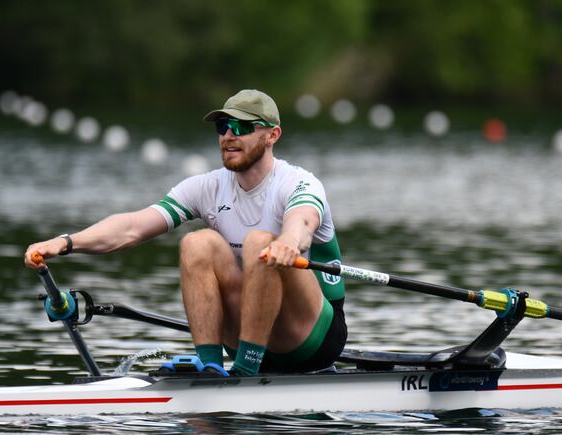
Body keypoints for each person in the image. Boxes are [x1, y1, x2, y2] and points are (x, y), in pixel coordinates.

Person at [24, 89, 346, 376]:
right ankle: (210, 367)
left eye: (242, 127)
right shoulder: (207, 187)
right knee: (196, 242)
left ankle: (247, 370)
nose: (229, 136)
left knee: (259, 243)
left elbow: (301, 223)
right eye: (223, 127)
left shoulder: (298, 183)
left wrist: (288, 244)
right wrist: (65, 242)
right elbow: (132, 228)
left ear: (272, 135)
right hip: (249, 327)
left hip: (310, 338)